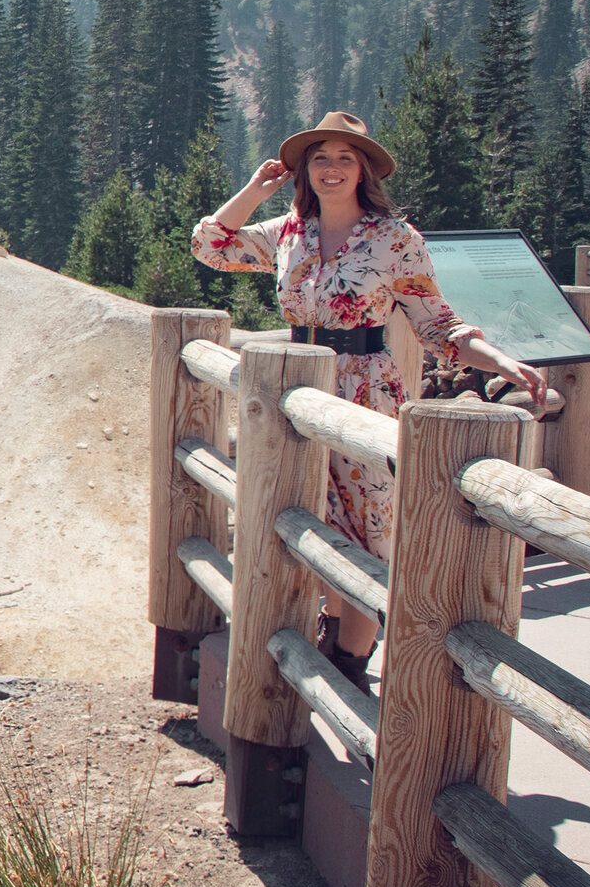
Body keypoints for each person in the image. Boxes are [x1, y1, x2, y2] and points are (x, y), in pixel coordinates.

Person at [191, 111, 548, 690]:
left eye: (345, 159)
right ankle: (336, 627)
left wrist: (501, 361)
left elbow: (437, 323)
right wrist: (257, 189)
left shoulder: (395, 240)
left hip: (363, 390)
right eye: (320, 158)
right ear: (304, 169)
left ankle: (351, 664)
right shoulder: (289, 232)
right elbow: (210, 245)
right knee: (303, 510)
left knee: (366, 522)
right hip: (292, 389)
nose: (332, 169)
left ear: (364, 172)